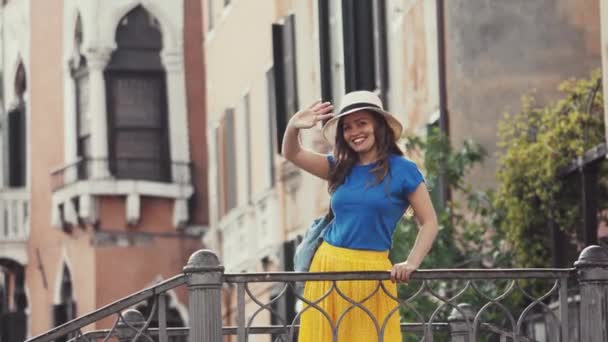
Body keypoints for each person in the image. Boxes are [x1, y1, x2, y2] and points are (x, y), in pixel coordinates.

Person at [282, 90, 439, 341]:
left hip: (373, 272)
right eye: (348, 127)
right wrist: (293, 126)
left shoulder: (404, 170)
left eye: (362, 123)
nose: (355, 132)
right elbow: (293, 154)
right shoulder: (339, 166)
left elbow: (429, 222)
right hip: (327, 268)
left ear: (378, 126)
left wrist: (411, 263)